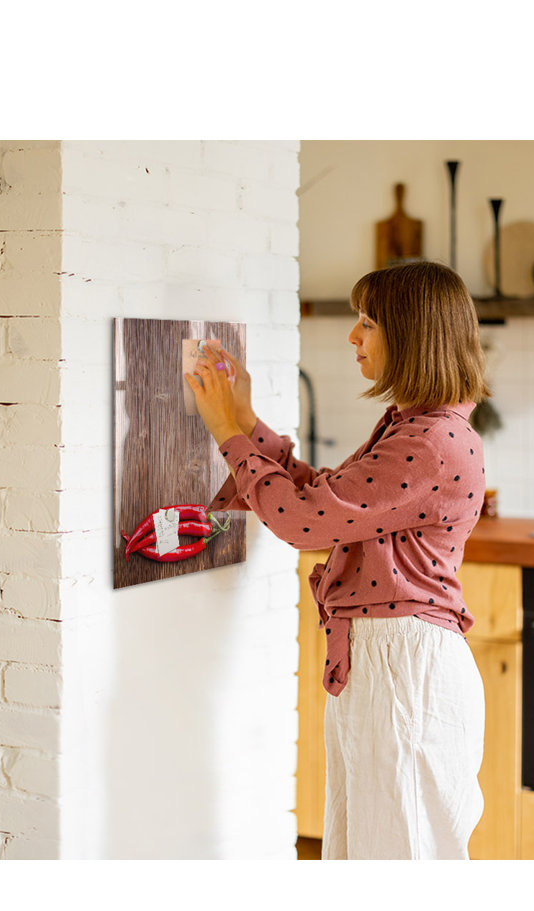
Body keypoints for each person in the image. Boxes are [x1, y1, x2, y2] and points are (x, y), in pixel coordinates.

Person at [185, 260, 489, 860]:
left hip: (404, 670)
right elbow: (327, 499)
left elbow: (304, 522)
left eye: (368, 322)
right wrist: (246, 423)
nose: (353, 336)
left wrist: (227, 432)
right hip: (388, 663)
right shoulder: (415, 428)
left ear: (412, 335)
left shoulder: (430, 442)